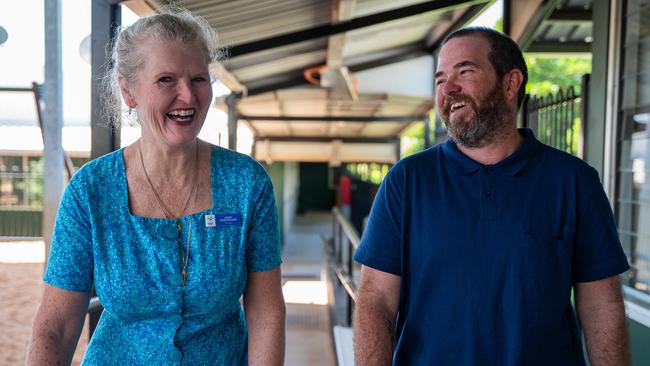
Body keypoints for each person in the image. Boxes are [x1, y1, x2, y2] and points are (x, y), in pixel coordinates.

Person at [353, 26, 630, 366]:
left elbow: (602, 305)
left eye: (464, 72)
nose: (448, 89)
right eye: (440, 80)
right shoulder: (407, 180)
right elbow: (376, 301)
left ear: (511, 83)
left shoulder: (573, 182)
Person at [27, 9, 285, 365]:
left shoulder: (246, 185)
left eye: (198, 79)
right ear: (128, 91)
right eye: (166, 80)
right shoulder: (91, 193)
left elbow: (266, 313)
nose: (188, 96)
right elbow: (55, 327)